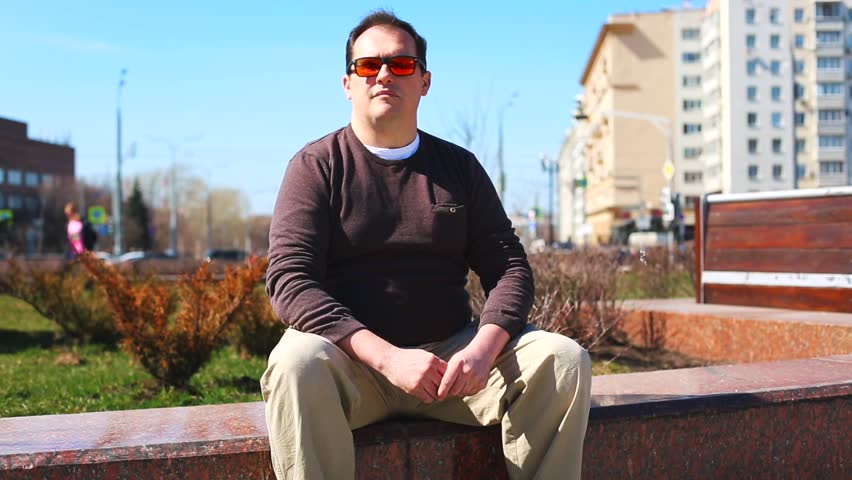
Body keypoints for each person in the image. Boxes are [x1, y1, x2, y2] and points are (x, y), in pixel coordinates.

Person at [261, 10, 591, 480]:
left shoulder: (459, 168)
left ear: (424, 81)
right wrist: (387, 357)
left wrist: (483, 349)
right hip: (352, 365)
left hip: (453, 363)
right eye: (367, 65)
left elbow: (510, 268)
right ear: (347, 83)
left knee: (562, 360)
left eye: (400, 65)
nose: (382, 75)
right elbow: (290, 281)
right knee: (296, 362)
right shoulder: (316, 166)